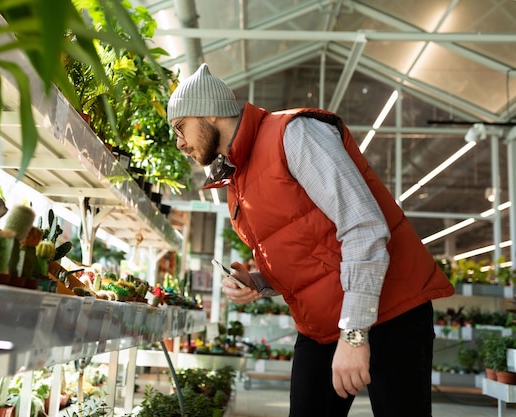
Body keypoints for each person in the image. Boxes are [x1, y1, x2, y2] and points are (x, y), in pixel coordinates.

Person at [166, 63, 454, 417]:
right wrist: (258, 281)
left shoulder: (294, 134)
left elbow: (364, 227)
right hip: (323, 324)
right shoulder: (238, 175)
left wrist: (354, 335)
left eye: (180, 127)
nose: (178, 142)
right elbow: (310, 250)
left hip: (391, 311)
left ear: (209, 111)